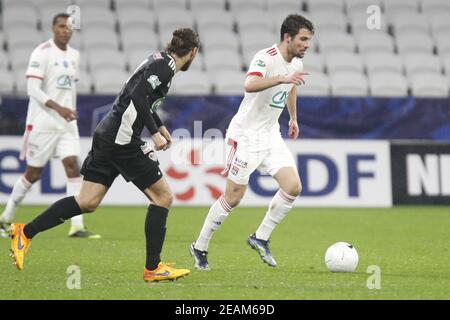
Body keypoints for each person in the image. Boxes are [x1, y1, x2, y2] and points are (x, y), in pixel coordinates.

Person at [9, 28, 200, 282]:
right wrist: (154, 133)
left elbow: (141, 98)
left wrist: (159, 126)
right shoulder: (165, 68)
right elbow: (138, 95)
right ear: (193, 52)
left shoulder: (158, 59)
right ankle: (153, 268)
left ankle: (25, 232)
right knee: (163, 197)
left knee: (87, 201)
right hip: (122, 141)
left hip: (107, 135)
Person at [190, 14, 314, 270]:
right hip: (245, 135)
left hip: (270, 134)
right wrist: (281, 78)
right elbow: (249, 84)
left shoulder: (296, 65)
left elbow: (292, 88)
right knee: (233, 198)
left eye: (309, 40)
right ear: (287, 37)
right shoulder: (266, 57)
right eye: (303, 39)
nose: (307, 44)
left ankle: (260, 237)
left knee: (293, 187)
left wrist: (293, 118)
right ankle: (199, 246)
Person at [0, 13, 100, 239]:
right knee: (33, 174)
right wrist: (59, 108)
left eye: (69, 27)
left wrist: (68, 110)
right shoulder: (41, 52)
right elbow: (32, 90)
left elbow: (68, 89)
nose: (66, 30)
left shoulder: (74, 55)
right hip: (43, 123)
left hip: (66, 125)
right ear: (53, 28)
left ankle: (77, 225)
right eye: (61, 26)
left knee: (73, 165)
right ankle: (6, 217)